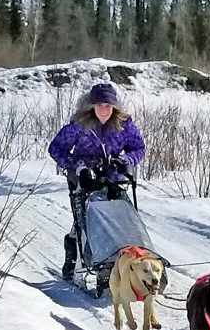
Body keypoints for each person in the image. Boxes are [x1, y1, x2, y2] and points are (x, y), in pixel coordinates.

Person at [48, 82, 146, 280]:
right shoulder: (78, 125)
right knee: (86, 219)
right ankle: (74, 256)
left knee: (122, 217)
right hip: (84, 180)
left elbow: (139, 148)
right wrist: (76, 166)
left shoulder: (124, 125)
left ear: (114, 107)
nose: (104, 110)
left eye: (108, 106)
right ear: (91, 106)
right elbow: (56, 148)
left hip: (114, 177)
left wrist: (126, 161)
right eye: (100, 105)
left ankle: (127, 259)